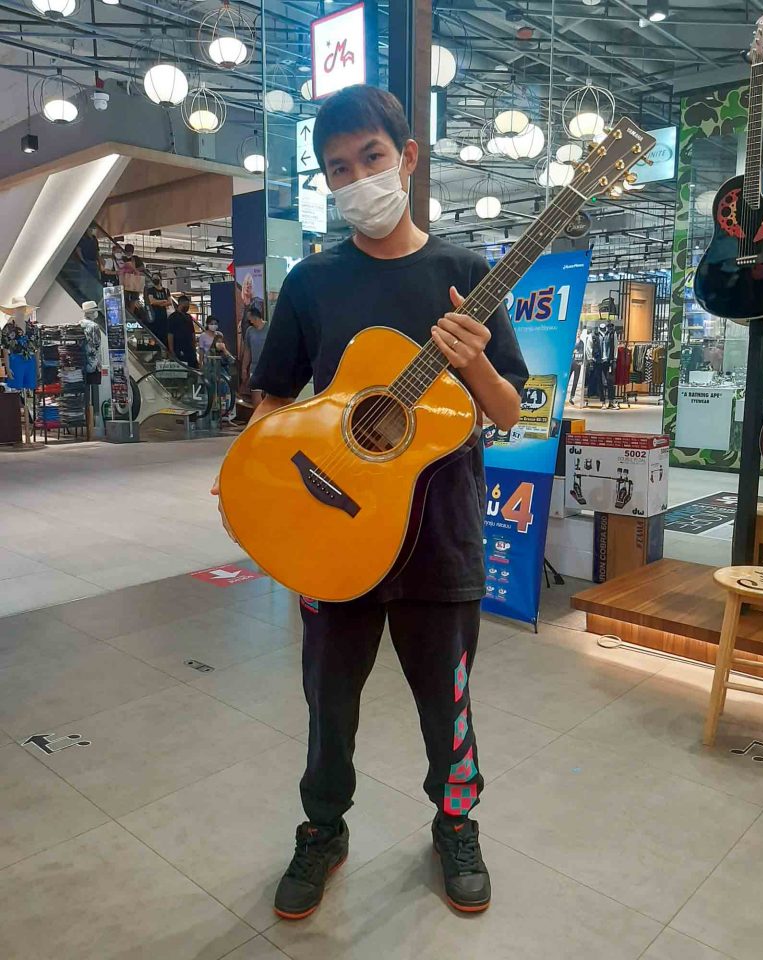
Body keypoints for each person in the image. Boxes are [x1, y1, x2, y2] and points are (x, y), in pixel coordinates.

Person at [212, 84, 527, 920]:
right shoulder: (312, 282)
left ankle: (456, 823)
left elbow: (506, 411)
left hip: (440, 538)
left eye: (372, 158)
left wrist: (474, 359)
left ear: (408, 157)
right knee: (329, 702)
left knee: (446, 702)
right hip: (332, 530)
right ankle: (323, 828)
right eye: (338, 169)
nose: (357, 179)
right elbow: (275, 400)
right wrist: (253, 477)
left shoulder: (465, 276)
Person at [243, 305, 267, 407]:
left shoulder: (269, 327)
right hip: (255, 367)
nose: (249, 321)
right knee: (256, 397)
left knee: (269, 398)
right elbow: (247, 351)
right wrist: (244, 368)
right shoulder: (250, 331)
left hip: (268, 367)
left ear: (255, 317)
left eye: (250, 319)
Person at [167, 295, 198, 368]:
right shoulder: (173, 317)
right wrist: (171, 350)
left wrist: (194, 346)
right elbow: (170, 334)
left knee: (193, 367)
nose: (187, 307)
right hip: (179, 347)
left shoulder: (188, 317)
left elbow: (192, 332)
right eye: (186, 305)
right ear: (180, 304)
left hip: (190, 348)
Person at [143, 273, 172, 345]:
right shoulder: (151, 290)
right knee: (154, 334)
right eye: (153, 278)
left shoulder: (166, 290)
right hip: (154, 316)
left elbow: (169, 302)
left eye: (156, 278)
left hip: (164, 317)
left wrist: (158, 303)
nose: (155, 279)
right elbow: (152, 301)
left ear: (160, 279)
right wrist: (163, 301)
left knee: (163, 334)